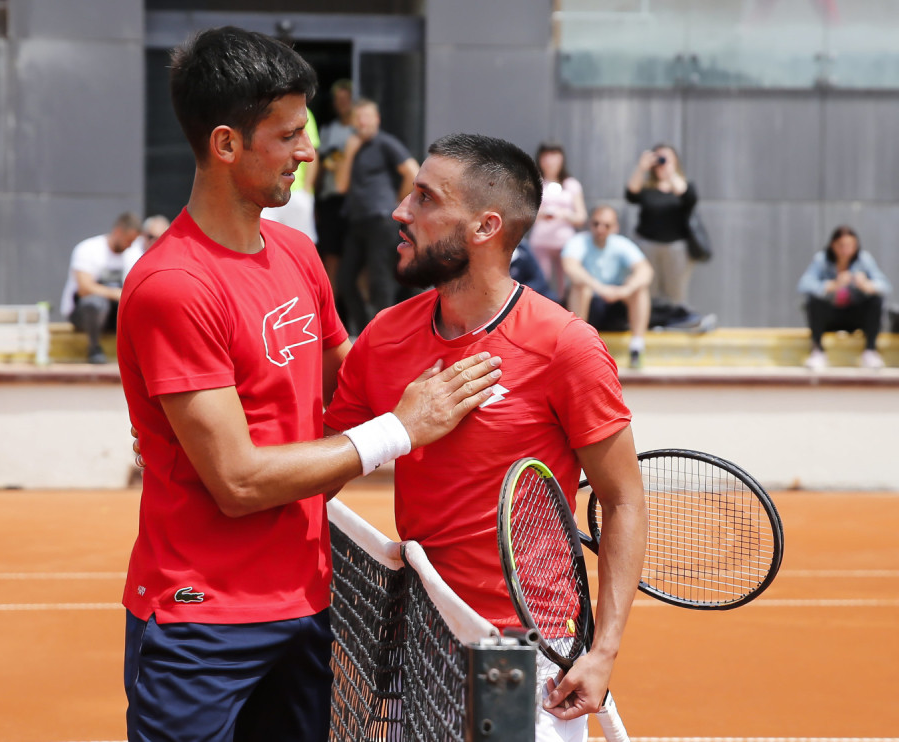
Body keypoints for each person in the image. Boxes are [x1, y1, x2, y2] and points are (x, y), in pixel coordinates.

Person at [115, 26, 502, 742]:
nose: (307, 151)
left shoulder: (296, 253)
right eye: (289, 134)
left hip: (304, 603)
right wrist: (400, 431)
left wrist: (497, 376)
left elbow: (356, 378)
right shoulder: (172, 286)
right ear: (226, 145)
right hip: (202, 622)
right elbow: (236, 480)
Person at [323, 133, 648, 742]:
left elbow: (624, 499)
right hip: (422, 639)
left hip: (530, 648)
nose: (401, 211)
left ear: (484, 226)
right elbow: (317, 466)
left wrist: (602, 652)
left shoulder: (565, 345)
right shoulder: (382, 339)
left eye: (424, 198)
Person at [335, 98, 419, 334]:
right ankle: (366, 332)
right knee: (345, 280)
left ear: (377, 119)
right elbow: (341, 186)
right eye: (357, 117)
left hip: (381, 220)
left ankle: (385, 335)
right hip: (357, 221)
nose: (362, 122)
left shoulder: (386, 143)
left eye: (366, 117)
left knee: (379, 281)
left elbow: (413, 172)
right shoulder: (352, 147)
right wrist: (350, 153)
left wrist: (396, 203)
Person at [562, 205, 653, 369]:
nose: (600, 229)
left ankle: (637, 347)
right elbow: (570, 267)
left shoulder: (622, 244)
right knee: (580, 287)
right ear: (590, 224)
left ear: (615, 227)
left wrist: (625, 290)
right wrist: (600, 288)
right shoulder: (578, 241)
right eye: (596, 224)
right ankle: (577, 346)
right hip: (590, 305)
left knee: (640, 289)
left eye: (606, 225)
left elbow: (646, 271)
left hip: (616, 307)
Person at [797, 225, 891, 370]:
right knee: (812, 301)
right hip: (830, 316)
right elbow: (804, 285)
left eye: (850, 246)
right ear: (832, 245)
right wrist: (832, 285)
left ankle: (870, 351)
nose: (845, 250)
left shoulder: (864, 260)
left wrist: (866, 285)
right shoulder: (821, 260)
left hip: (856, 316)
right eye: (841, 246)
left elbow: (885, 286)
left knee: (875, 300)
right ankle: (818, 352)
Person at [59, 211, 143, 364]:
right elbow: (84, 289)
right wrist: (115, 293)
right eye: (128, 240)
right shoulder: (89, 249)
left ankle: (139, 354)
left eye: (133, 241)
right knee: (96, 303)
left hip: (114, 314)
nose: (129, 245)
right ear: (118, 232)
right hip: (83, 314)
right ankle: (94, 348)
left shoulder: (133, 253)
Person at [624, 143, 697, 305]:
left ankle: (675, 322)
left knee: (675, 290)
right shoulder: (647, 187)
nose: (662, 161)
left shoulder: (683, 185)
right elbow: (630, 194)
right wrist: (641, 168)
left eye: (666, 157)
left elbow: (687, 197)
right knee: (648, 289)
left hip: (675, 246)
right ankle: (651, 323)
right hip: (647, 244)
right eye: (659, 157)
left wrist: (670, 173)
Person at [530, 142, 587, 302]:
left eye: (554, 155)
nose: (550, 160)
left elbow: (581, 217)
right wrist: (542, 214)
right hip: (541, 241)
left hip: (565, 243)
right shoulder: (535, 183)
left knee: (566, 285)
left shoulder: (571, 184)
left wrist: (564, 214)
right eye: (546, 156)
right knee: (540, 284)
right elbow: (526, 214)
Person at [314, 79, 354, 295]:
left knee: (357, 261)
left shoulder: (360, 131)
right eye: (338, 100)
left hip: (355, 202)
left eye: (346, 99)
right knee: (331, 259)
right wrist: (315, 199)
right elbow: (320, 166)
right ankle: (333, 314)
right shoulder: (329, 131)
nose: (342, 104)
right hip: (330, 200)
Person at [261, 107, 320, 241]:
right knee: (266, 244)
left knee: (302, 245)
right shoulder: (261, 107)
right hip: (267, 194)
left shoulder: (302, 110)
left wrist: (306, 192)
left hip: (297, 192)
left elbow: (313, 154)